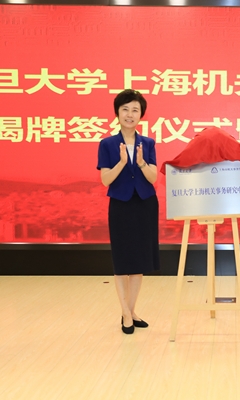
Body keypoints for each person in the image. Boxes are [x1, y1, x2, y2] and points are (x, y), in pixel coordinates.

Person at [97, 89, 159, 334]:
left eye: (135, 110)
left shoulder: (148, 143)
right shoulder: (107, 144)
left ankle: (131, 312)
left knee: (139, 261)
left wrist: (141, 162)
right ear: (117, 113)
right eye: (125, 109)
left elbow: (153, 178)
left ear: (141, 115)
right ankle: (125, 313)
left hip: (145, 204)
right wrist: (122, 162)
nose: (130, 114)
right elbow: (105, 180)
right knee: (122, 261)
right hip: (121, 205)